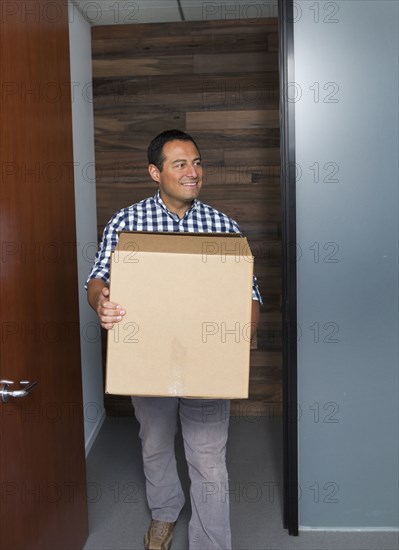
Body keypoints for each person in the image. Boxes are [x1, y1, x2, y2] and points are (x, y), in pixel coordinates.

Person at [86, 129, 262, 550]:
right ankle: (164, 513)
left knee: (209, 459)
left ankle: (212, 544)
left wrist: (239, 338)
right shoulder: (126, 222)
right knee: (156, 444)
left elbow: (249, 294)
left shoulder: (223, 226)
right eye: (180, 163)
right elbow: (97, 280)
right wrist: (100, 302)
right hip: (149, 360)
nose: (192, 172)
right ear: (155, 171)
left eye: (197, 162)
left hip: (206, 363)